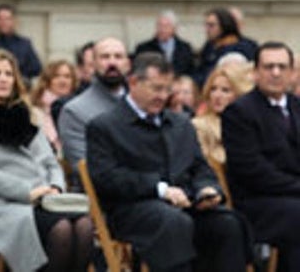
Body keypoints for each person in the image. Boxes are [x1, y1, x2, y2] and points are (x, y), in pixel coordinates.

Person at [87, 53, 248, 272]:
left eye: (167, 89)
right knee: (173, 222)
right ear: (133, 82)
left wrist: (206, 189)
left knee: (227, 223)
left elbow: (199, 167)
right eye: (156, 88)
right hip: (134, 210)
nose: (163, 96)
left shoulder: (180, 124)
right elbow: (107, 178)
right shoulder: (105, 126)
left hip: (186, 205)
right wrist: (160, 189)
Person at [0, 50, 93, 272]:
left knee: (84, 225)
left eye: (8, 73)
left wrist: (56, 187)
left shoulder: (29, 114)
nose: (3, 78)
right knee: (62, 229)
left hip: (43, 199)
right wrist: (28, 191)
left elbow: (50, 161)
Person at [223, 42, 300, 271]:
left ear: (292, 73)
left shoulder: (297, 106)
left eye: (281, 67)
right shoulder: (239, 112)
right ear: (255, 72)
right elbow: (251, 169)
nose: (275, 73)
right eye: (268, 67)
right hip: (258, 202)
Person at [57, 37, 129, 166]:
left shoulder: (144, 105)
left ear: (128, 64)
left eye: (118, 57)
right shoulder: (75, 111)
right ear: (94, 64)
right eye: (105, 57)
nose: (112, 63)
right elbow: (83, 167)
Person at [192, 63, 251, 164]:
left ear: (239, 95)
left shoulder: (248, 124)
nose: (217, 95)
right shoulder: (199, 125)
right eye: (213, 89)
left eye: (225, 90)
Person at [195, 6, 257, 87]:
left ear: (224, 26)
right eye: (206, 25)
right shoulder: (210, 46)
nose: (207, 29)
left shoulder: (242, 47)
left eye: (211, 25)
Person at [0, 3, 42, 80]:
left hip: (21, 84)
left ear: (14, 21)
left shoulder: (24, 43)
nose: (3, 22)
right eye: (0, 19)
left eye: (7, 19)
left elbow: (37, 68)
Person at [30, 60, 77, 153]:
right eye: (56, 76)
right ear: (47, 81)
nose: (63, 81)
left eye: (67, 76)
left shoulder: (77, 109)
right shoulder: (35, 110)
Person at [134, 10, 195, 79]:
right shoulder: (144, 48)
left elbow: (191, 72)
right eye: (160, 26)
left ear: (174, 28)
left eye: (166, 26)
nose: (162, 30)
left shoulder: (185, 48)